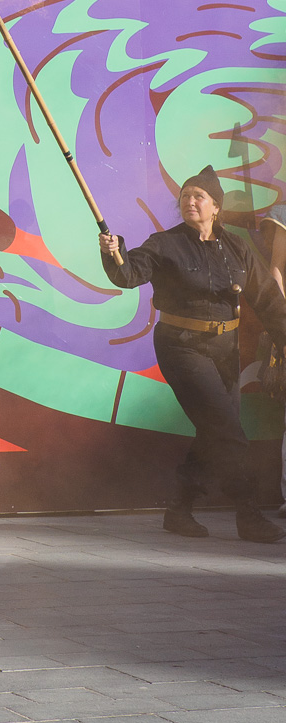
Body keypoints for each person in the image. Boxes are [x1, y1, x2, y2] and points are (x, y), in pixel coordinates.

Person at [101, 164, 286, 543]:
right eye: (185, 196)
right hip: (181, 346)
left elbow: (268, 300)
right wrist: (113, 251)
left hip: (225, 349)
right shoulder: (163, 243)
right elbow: (127, 274)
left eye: (198, 196)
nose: (189, 201)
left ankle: (179, 509)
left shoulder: (236, 248)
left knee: (213, 430)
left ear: (215, 206)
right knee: (229, 431)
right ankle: (248, 515)